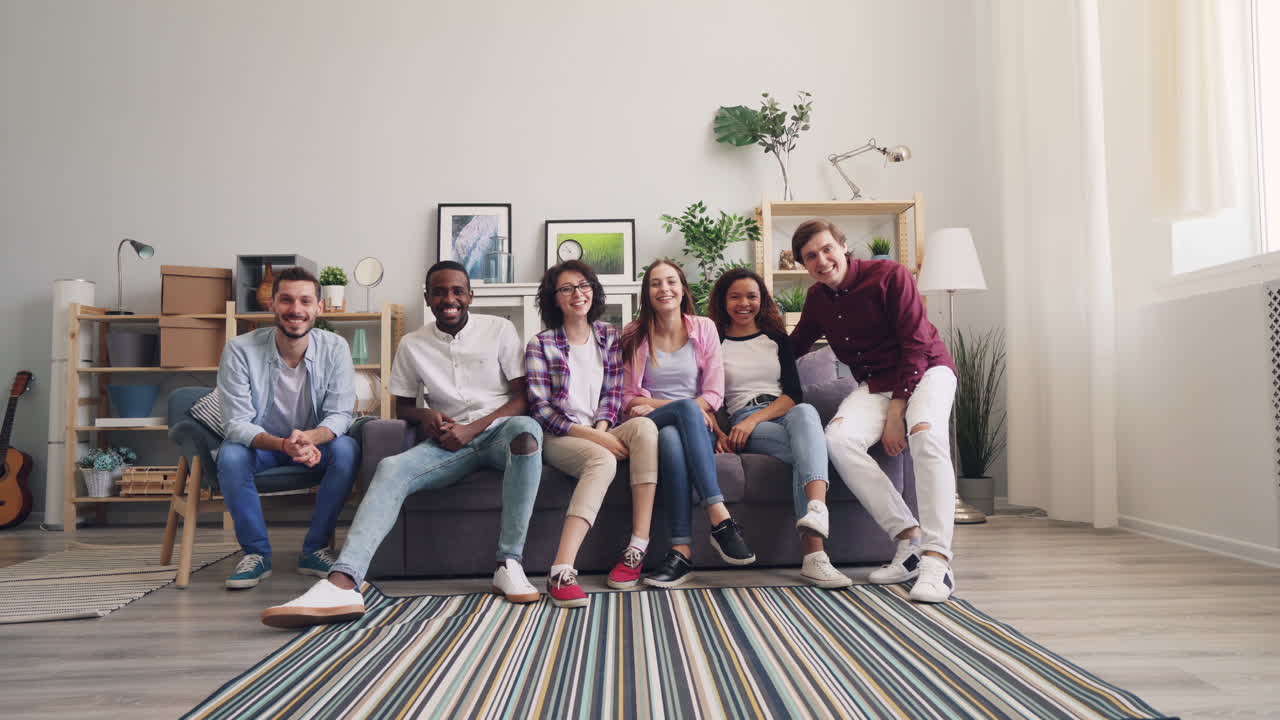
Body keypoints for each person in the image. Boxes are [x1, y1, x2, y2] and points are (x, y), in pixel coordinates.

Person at [261, 261, 544, 627]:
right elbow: (403, 406)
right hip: (447, 443)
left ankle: (509, 563)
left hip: (498, 433)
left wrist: (473, 429)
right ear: (427, 298)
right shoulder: (412, 344)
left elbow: (523, 399)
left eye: (458, 291)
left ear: (470, 295)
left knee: (526, 430)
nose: (449, 299)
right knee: (390, 467)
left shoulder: (500, 330)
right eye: (439, 292)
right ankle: (344, 582)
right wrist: (427, 417)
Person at [789, 219, 960, 603]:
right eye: (811, 256)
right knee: (839, 439)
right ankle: (909, 541)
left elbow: (915, 343)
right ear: (804, 265)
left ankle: (938, 561)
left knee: (926, 434)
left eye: (826, 249)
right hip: (877, 384)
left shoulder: (890, 275)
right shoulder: (817, 299)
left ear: (843, 245)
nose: (822, 260)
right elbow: (794, 345)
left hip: (927, 370)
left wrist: (898, 410)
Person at [525, 260, 660, 608]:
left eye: (583, 286)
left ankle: (637, 546)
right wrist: (597, 438)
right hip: (560, 436)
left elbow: (613, 394)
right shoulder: (541, 344)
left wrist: (603, 428)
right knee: (601, 459)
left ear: (593, 291)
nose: (577, 294)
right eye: (567, 288)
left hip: (603, 426)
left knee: (644, 427)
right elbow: (542, 411)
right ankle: (561, 571)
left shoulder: (609, 337)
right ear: (554, 298)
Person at [215, 266, 360, 589]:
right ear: (272, 305)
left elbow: (340, 415)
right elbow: (236, 424)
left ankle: (315, 549)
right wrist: (284, 444)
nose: (296, 310)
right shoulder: (239, 350)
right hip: (264, 448)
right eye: (287, 300)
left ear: (318, 308)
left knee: (347, 449)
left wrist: (308, 438)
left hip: (313, 446)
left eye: (305, 301)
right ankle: (256, 554)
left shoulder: (335, 348)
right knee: (230, 456)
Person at [707, 268, 852, 589]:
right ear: (723, 300)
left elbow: (793, 395)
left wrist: (754, 419)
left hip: (777, 413)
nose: (744, 303)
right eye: (735, 296)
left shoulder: (775, 339)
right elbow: (705, 396)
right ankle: (815, 556)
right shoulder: (714, 341)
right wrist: (724, 430)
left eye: (751, 296)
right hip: (746, 423)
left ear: (762, 300)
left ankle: (816, 510)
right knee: (813, 450)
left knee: (805, 412)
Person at [620, 260, 754, 589]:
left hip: (691, 427)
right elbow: (627, 397)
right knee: (677, 420)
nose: (664, 289)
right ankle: (719, 518)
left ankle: (681, 552)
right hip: (650, 422)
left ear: (682, 288)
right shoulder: (633, 334)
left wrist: (673, 406)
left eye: (671, 282)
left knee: (671, 440)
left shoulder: (703, 328)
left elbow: (714, 393)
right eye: (655, 283)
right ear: (646, 293)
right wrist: (676, 407)